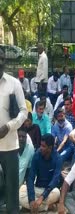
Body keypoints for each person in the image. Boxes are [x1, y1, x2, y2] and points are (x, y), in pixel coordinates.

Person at [0, 52, 28, 213]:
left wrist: (9, 127)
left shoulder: (14, 83)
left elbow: (23, 112)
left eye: (2, 58)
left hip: (10, 145)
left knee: (11, 190)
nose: (0, 62)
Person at [20, 134, 62, 213]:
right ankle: (45, 206)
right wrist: (32, 199)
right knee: (21, 191)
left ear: (50, 148)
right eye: (40, 145)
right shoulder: (37, 155)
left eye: (43, 146)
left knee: (57, 193)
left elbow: (55, 180)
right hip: (38, 188)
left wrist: (42, 197)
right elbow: (31, 177)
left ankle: (34, 207)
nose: (40, 148)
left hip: (49, 191)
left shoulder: (58, 158)